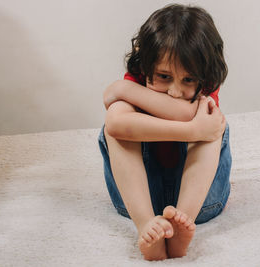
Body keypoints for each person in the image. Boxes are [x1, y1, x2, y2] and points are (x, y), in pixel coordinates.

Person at [97, 4, 232, 261]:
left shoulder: (205, 90)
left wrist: (123, 89)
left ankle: (182, 225)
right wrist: (193, 130)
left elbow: (185, 113)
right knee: (117, 129)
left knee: (214, 127)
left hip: (200, 202)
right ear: (144, 65)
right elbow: (115, 124)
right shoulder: (138, 77)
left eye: (188, 80)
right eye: (164, 76)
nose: (175, 91)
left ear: (204, 76)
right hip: (137, 202)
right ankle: (147, 224)